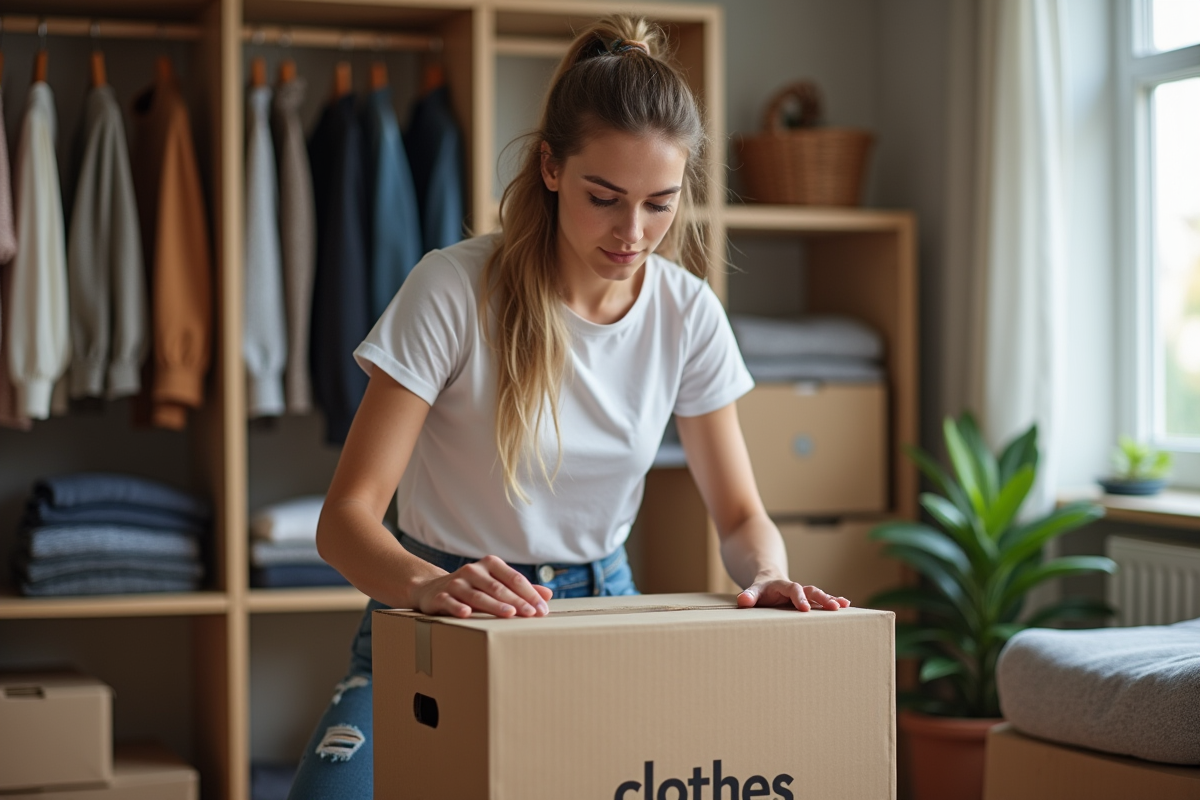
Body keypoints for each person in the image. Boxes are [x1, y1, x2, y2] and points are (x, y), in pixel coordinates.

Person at [286, 15, 850, 799]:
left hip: (597, 607)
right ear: (551, 168)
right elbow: (343, 519)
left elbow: (741, 515)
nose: (633, 233)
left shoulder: (688, 313)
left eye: (660, 204)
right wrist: (424, 587)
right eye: (605, 197)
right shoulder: (452, 289)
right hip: (437, 607)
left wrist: (770, 576)